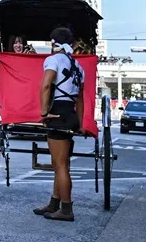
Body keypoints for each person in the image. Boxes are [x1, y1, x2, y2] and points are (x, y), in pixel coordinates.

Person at [35, 27, 84, 222]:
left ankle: (66, 209)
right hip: (70, 113)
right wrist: (79, 122)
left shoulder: (53, 60)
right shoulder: (77, 66)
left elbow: (46, 85)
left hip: (58, 113)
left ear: (54, 42)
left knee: (61, 165)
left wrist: (44, 111)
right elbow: (80, 98)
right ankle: (54, 203)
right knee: (58, 163)